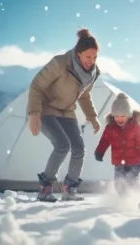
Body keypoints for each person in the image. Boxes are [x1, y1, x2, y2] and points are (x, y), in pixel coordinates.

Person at [27, 28, 101, 202]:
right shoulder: (60, 63)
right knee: (62, 145)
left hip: (67, 111)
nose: (91, 61)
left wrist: (92, 116)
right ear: (78, 53)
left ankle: (69, 190)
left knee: (79, 148)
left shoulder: (92, 74)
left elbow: (84, 95)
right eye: (88, 57)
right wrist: (34, 113)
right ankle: (45, 189)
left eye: (95, 57)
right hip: (45, 108)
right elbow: (36, 86)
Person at [94, 93, 140, 196]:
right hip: (119, 162)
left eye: (123, 116)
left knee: (131, 181)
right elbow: (104, 141)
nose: (119, 119)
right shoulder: (110, 128)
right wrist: (100, 151)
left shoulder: (135, 128)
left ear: (128, 115)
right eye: (116, 116)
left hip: (134, 162)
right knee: (119, 183)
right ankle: (124, 201)